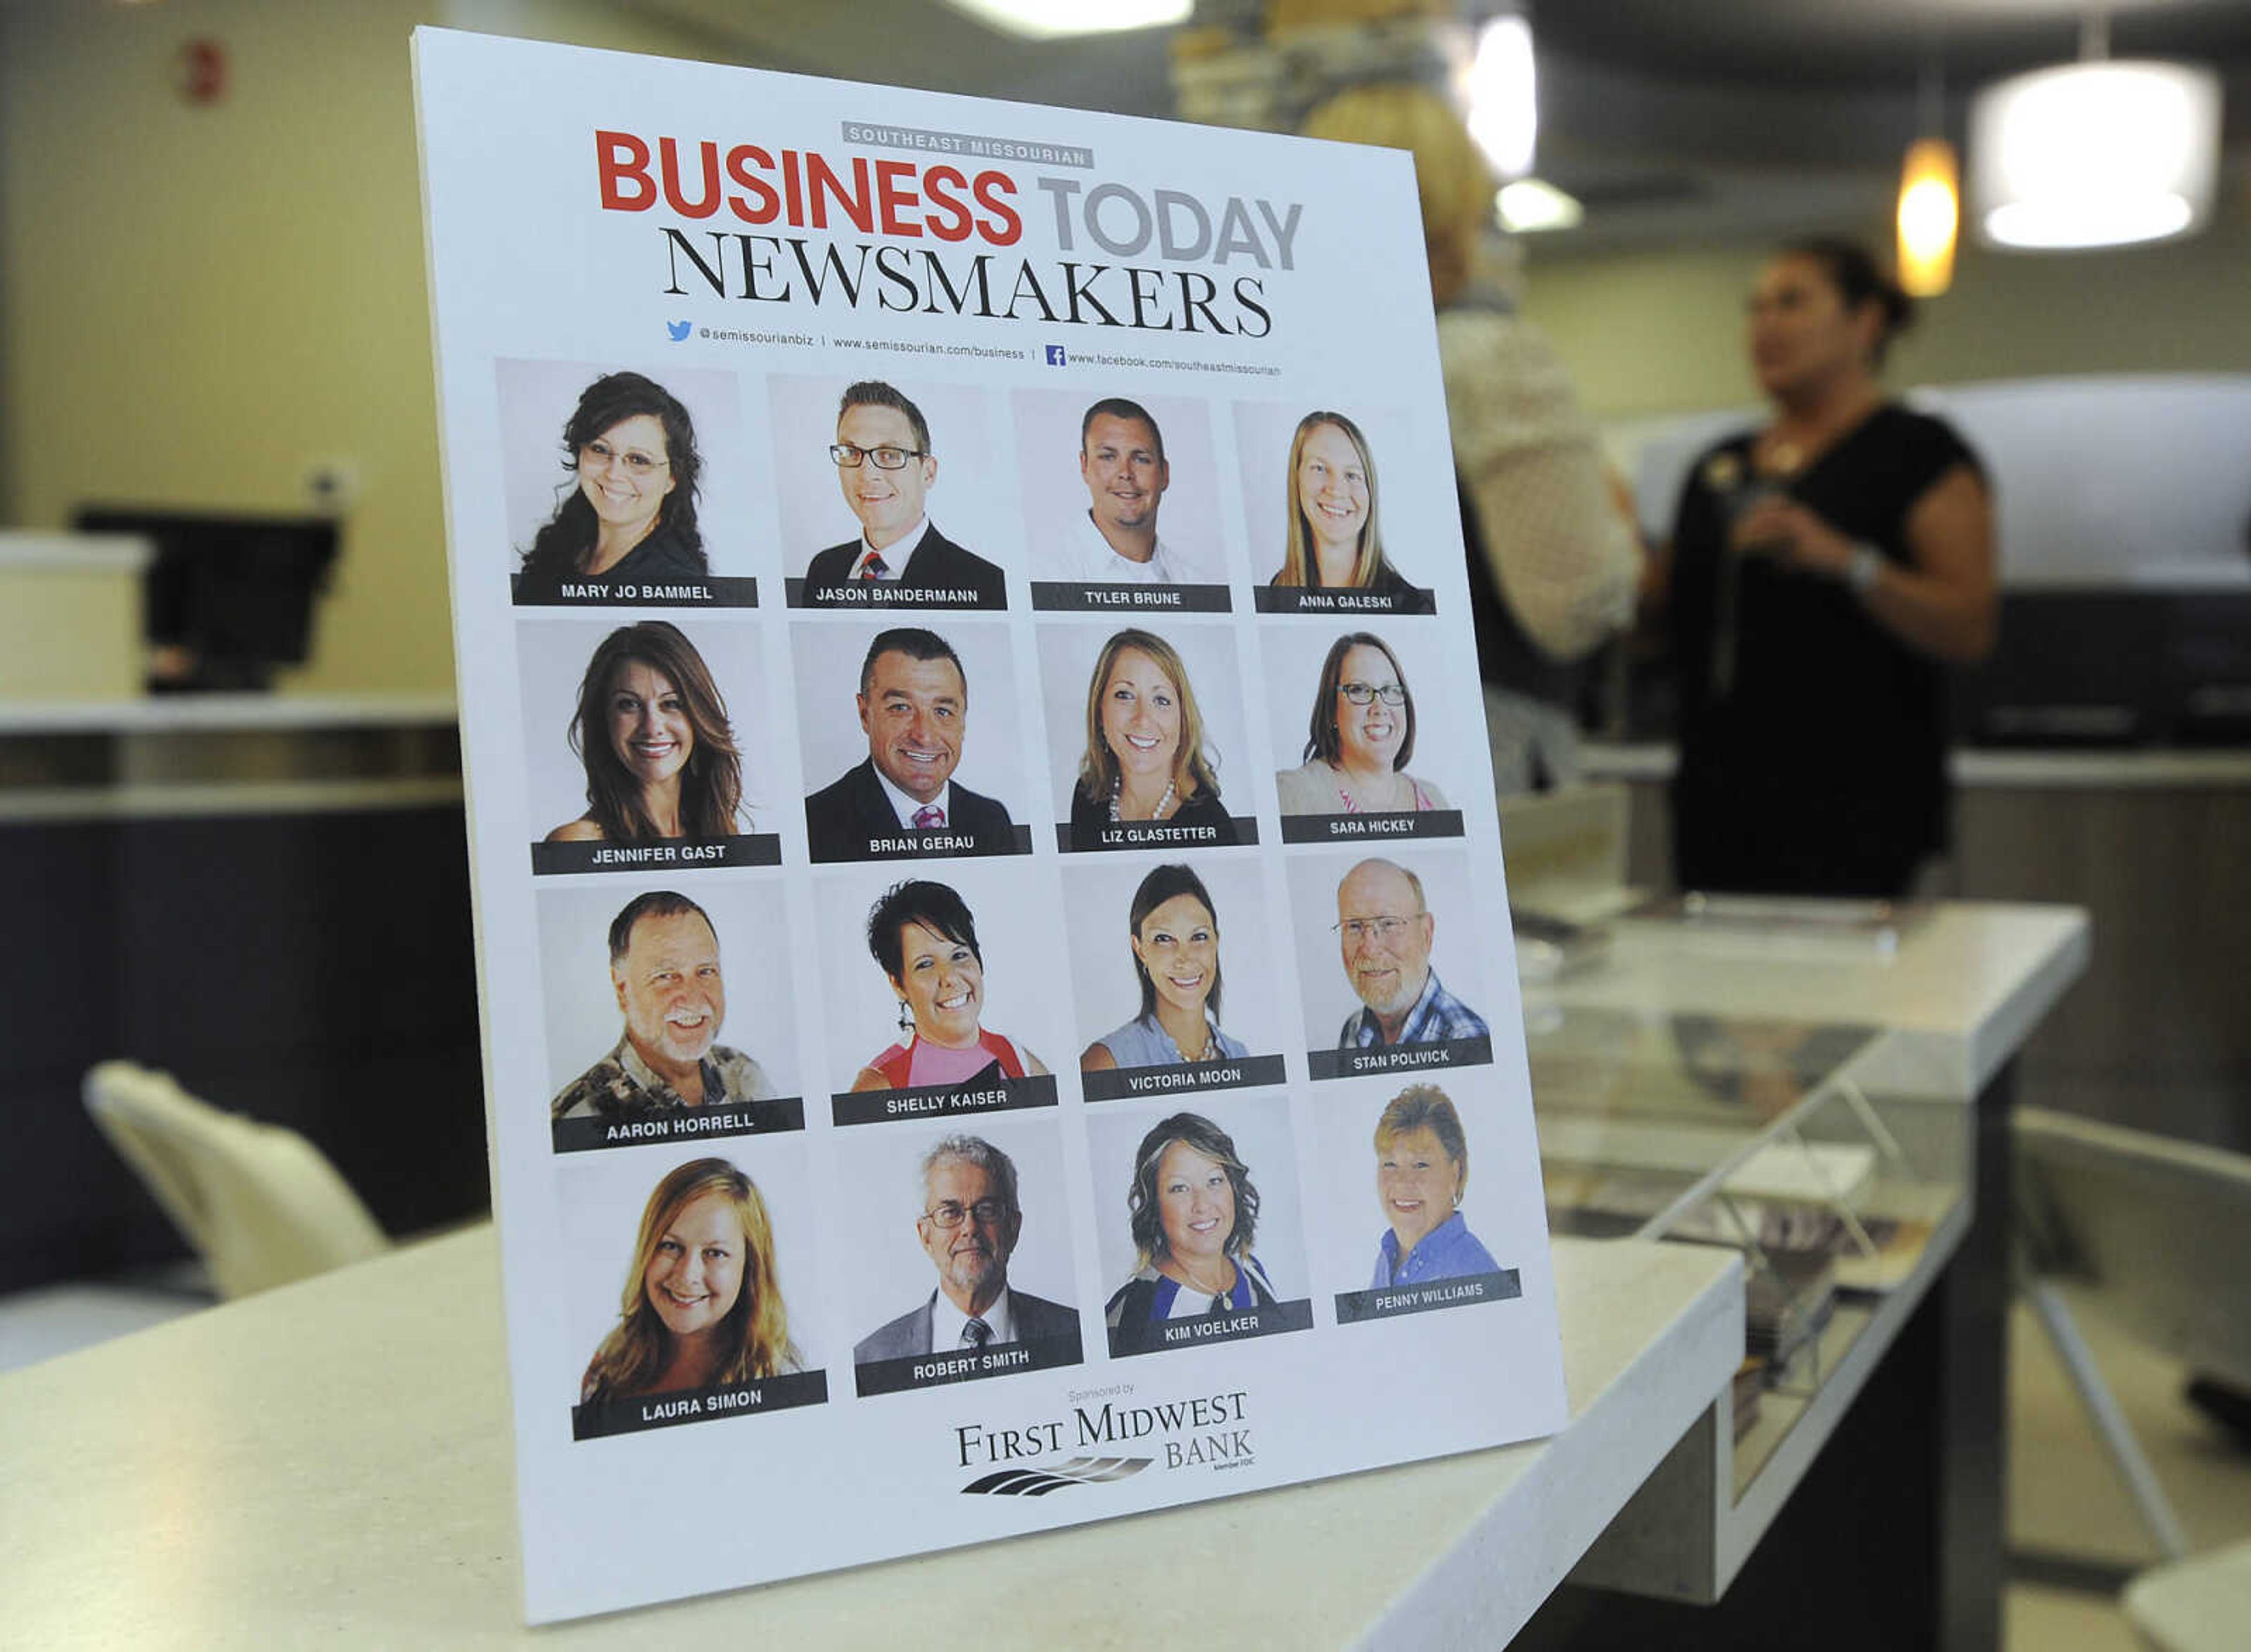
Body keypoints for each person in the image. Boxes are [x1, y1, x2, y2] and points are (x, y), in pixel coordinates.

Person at [1299, 86, 1640, 794]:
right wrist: (1624, 538)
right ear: (1460, 204)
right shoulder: (1486, 358)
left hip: (1340, 764)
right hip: (1492, 758)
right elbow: (1574, 605)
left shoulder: (1294, 366)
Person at [1655, 237, 1995, 896]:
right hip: (1718, 811)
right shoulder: (1720, 465)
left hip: (1861, 815)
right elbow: (1673, 617)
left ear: (1865, 322)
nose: (1765, 326)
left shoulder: (1918, 455)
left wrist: (1849, 562)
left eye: (1792, 303)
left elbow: (1970, 626)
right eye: (1755, 309)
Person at [579, 1157, 800, 1403]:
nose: (687, 1275)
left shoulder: (781, 1379)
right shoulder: (611, 1360)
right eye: (670, 1246)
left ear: (750, 1268)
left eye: (715, 1253)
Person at [552, 892, 776, 1124]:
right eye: (666, 976)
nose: (694, 1000)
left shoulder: (744, 1074)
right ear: (622, 989)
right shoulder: (580, 1117)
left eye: (705, 971)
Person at [853, 1134, 1077, 1363]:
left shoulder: (1077, 1335)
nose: (970, 1228)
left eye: (987, 1209)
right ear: (925, 1235)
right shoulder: (871, 1358)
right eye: (950, 1212)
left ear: (1013, 1228)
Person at [803, 628, 1018, 860]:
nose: (924, 735)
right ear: (865, 714)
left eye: (943, 711)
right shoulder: (812, 825)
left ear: (963, 722)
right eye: (901, 708)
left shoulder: (992, 820)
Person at [801, 380, 1005, 604]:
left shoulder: (986, 583)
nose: (867, 474)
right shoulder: (824, 568)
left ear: (928, 473)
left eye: (890, 455)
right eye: (851, 452)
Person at [545, 620, 746, 842]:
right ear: (604, 720)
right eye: (629, 705)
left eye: (671, 704)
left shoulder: (724, 831)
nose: (652, 728)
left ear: (698, 716)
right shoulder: (576, 841)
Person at [516, 370, 709, 592]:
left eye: (639, 460)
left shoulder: (678, 581)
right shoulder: (563, 542)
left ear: (672, 478)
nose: (614, 474)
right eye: (600, 449)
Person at [1104, 1111, 1280, 1354]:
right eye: (1180, 1188)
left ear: (1233, 1188)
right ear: (1155, 1204)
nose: (1202, 1205)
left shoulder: (1253, 1273)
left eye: (1215, 1181)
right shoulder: (1133, 1311)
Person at [851, 879, 1050, 1092]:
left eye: (959, 955)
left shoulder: (1019, 1060)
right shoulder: (881, 1084)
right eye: (925, 964)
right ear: (898, 984)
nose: (950, 978)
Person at [1067, 628, 1236, 847]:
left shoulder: (1214, 824)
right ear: (1099, 710)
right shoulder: (1086, 796)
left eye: (1161, 700)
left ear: (1183, 719)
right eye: (1125, 695)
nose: (1143, 719)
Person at [1081, 864, 1250, 1073]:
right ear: (1140, 949)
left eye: (1199, 937)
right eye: (1164, 939)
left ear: (1216, 941)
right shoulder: (1107, 1063)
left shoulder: (1239, 1055)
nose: (1185, 959)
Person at [1275, 632, 1451, 815]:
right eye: (1359, 690)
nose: (1380, 708)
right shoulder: (1291, 793)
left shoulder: (1433, 797)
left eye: (1390, 690)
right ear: (1332, 708)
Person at [1267, 410, 1427, 605]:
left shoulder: (1412, 605)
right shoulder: (1277, 591)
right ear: (1297, 478)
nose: (1336, 490)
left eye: (1352, 475)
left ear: (1370, 491)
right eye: (1320, 468)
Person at [1333, 858, 1487, 1049]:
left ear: (1426, 934)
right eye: (1354, 926)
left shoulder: (1468, 1040)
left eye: (1388, 924)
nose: (1370, 950)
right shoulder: (1353, 1030)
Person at [1055, 397, 1203, 584]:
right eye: (1108, 457)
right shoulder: (1045, 571)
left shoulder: (1195, 582)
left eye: (1141, 459)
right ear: (1085, 466)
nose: (1126, 473)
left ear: (1165, 473)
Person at [1368, 1085, 1499, 1288]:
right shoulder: (1387, 1258)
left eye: (1421, 1165)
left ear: (1454, 1174)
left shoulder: (1474, 1275)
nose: (1402, 1181)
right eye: (1390, 1164)